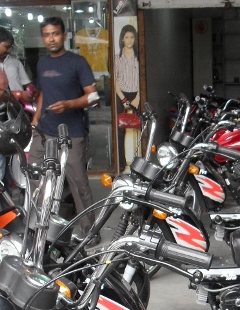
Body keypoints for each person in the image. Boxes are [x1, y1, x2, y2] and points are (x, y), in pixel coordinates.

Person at [30, 17, 99, 238]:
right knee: (36, 181)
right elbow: (42, 94)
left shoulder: (77, 62)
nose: (51, 39)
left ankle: (91, 231)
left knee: (78, 184)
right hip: (44, 131)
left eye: (55, 34)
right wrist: (36, 120)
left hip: (73, 133)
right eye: (47, 35)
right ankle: (41, 228)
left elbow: (94, 96)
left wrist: (70, 104)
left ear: (64, 35)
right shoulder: (42, 63)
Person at [0, 27, 37, 184]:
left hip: (12, 115)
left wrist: (27, 95)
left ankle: (7, 203)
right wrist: (13, 96)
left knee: (9, 159)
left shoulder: (15, 63)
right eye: (6, 46)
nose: (8, 50)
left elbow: (28, 86)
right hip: (4, 113)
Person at [114, 24, 139, 172]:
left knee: (141, 126)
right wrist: (123, 100)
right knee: (120, 129)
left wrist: (138, 98)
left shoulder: (138, 57)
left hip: (136, 94)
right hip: (121, 94)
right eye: (126, 37)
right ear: (122, 39)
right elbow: (116, 81)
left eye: (132, 37)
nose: (129, 40)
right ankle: (122, 163)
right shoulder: (118, 58)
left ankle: (140, 162)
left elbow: (142, 79)